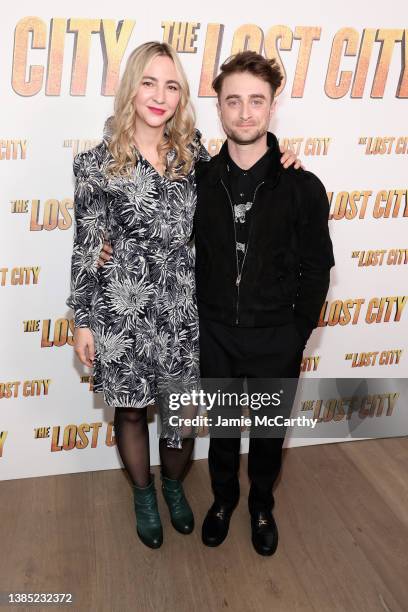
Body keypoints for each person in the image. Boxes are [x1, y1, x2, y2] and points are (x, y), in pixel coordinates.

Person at [68, 42, 301, 550]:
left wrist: (285, 157)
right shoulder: (94, 164)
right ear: (131, 86)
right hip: (120, 309)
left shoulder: (191, 151)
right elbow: (86, 244)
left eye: (172, 86)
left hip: (181, 308)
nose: (160, 95)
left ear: (181, 97)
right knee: (130, 412)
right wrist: (82, 318)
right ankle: (144, 494)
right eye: (149, 83)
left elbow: (245, 171)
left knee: (180, 417)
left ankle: (174, 485)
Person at [195, 51, 335, 556]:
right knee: (225, 431)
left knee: (270, 436)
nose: (246, 112)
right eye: (234, 100)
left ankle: (260, 504)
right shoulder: (198, 183)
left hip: (277, 334)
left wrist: (295, 333)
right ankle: (223, 500)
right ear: (220, 108)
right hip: (216, 333)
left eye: (257, 100)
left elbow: (317, 269)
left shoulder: (303, 186)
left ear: (272, 107)